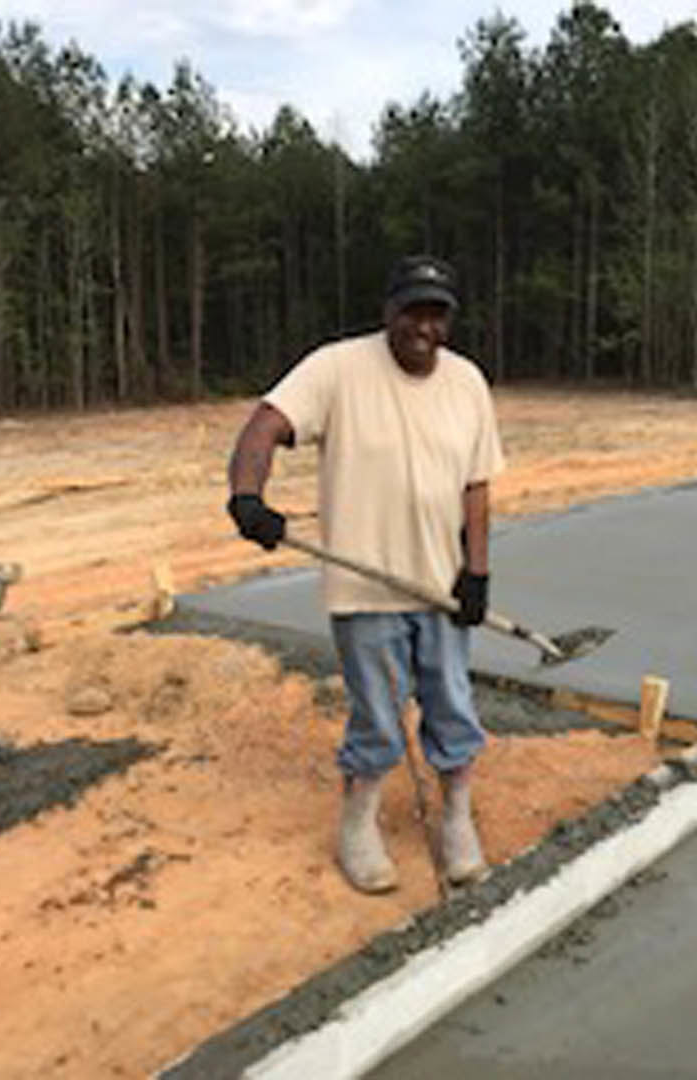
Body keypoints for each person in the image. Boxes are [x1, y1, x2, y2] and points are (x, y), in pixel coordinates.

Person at [225, 254, 505, 894]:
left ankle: (457, 819)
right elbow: (262, 427)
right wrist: (248, 498)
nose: (423, 327)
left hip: (439, 587)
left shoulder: (467, 383)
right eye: (412, 311)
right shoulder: (336, 368)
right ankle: (359, 825)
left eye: (436, 314)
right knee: (377, 716)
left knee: (452, 706)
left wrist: (477, 574)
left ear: (449, 321)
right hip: (365, 590)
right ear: (388, 311)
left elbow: (477, 487)